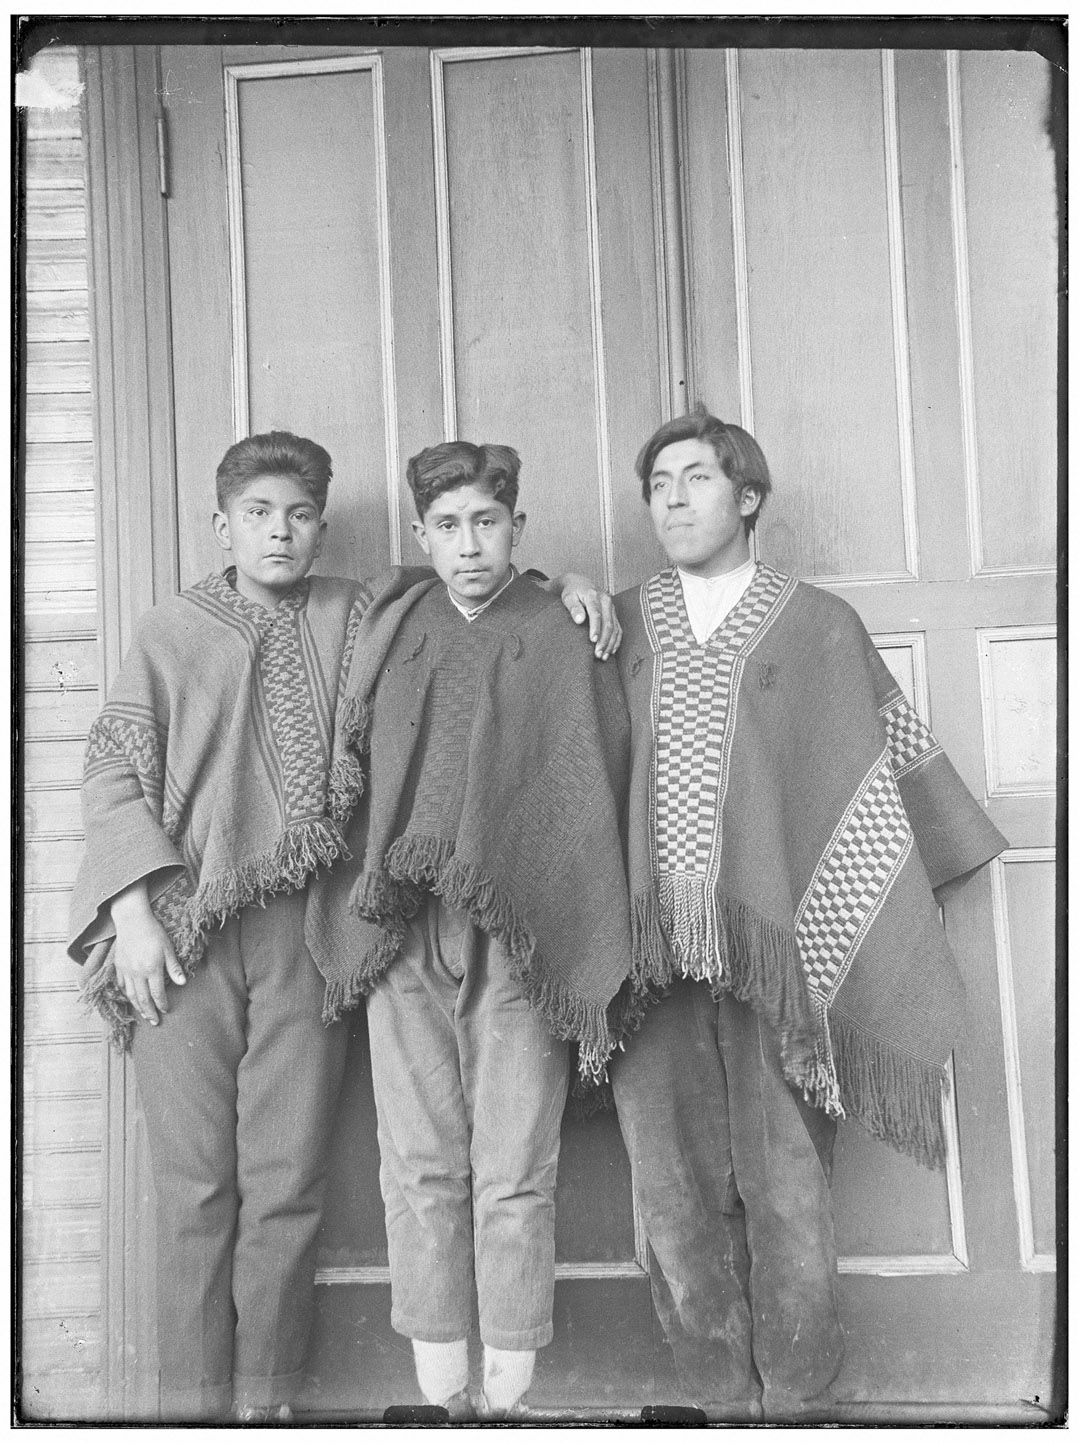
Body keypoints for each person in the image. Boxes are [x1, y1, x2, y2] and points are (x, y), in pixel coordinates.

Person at [66, 430, 620, 1423]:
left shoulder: (361, 611)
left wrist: (566, 585)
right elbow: (111, 767)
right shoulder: (169, 632)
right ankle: (188, 1412)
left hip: (311, 931)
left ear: (323, 528)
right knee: (194, 1189)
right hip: (184, 928)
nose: (278, 533)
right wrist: (132, 910)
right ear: (221, 526)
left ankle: (265, 1405)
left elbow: (473, 592)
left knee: (287, 1185)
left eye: (298, 516)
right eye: (257, 515)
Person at [607, 409, 1007, 1422]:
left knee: (784, 1176)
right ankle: (714, 1396)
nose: (672, 500)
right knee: (667, 1185)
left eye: (696, 479)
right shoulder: (616, 624)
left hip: (780, 954)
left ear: (746, 496)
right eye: (657, 484)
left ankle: (793, 1399)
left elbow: (863, 771)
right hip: (648, 956)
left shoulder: (816, 623)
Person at [307, 441, 632, 1421]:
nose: (467, 545)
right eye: (446, 526)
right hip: (400, 923)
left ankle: (508, 1387)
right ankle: (441, 1383)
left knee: (513, 1165)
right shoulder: (393, 618)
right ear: (421, 533)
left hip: (522, 928)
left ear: (516, 527)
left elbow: (589, 777)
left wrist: (566, 585)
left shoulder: (557, 628)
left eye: (486, 523)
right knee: (416, 1160)